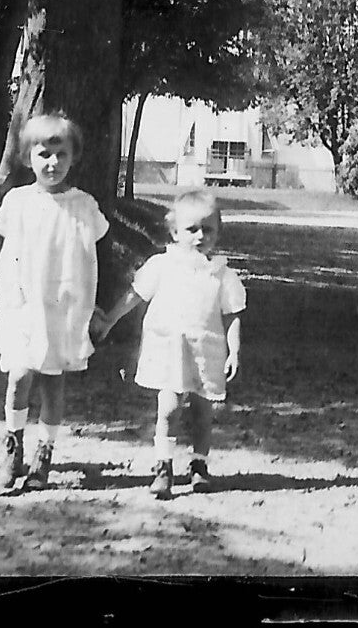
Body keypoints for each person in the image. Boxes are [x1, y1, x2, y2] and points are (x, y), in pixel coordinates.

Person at [91, 190, 245, 500]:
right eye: (192, 229)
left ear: (218, 231)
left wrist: (234, 349)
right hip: (170, 349)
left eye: (208, 229)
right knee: (169, 408)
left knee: (202, 411)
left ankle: (199, 465)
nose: (200, 236)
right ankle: (163, 466)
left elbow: (232, 314)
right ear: (175, 232)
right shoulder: (162, 265)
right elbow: (135, 295)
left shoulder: (222, 274)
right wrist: (109, 319)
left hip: (207, 350)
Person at [0, 112, 110, 493]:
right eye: (43, 154)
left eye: (61, 154)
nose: (52, 163)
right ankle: (13, 447)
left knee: (53, 381)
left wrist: (95, 306)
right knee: (20, 375)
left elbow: (93, 258)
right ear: (27, 157)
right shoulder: (17, 201)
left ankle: (45, 453)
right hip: (24, 303)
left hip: (62, 306)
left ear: (73, 158)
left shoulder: (84, 206)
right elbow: (9, 253)